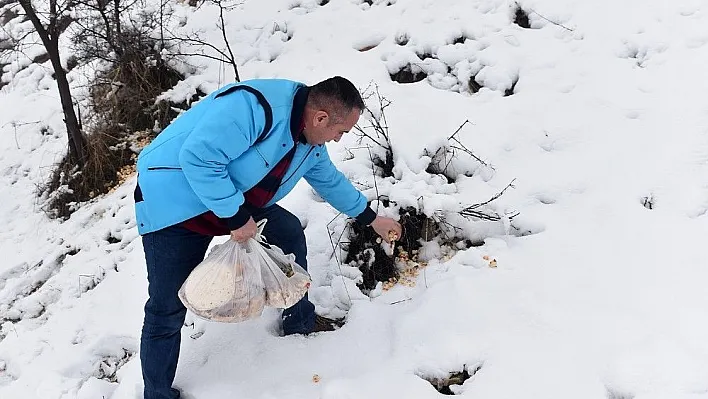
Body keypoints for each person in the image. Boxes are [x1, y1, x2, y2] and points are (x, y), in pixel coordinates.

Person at [133, 76, 402, 399]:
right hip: (176, 205)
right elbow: (199, 159)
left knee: (288, 232)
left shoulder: (309, 139)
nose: (338, 140)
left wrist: (371, 218)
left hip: (236, 201)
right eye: (340, 132)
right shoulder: (254, 108)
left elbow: (328, 180)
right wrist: (237, 217)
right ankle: (157, 393)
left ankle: (298, 320)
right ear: (321, 118)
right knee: (167, 307)